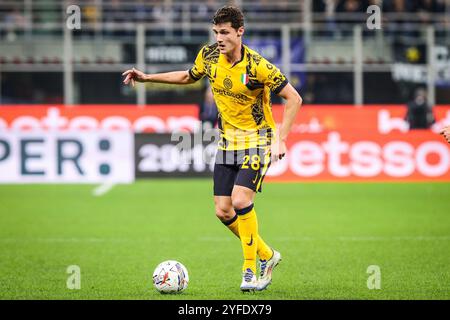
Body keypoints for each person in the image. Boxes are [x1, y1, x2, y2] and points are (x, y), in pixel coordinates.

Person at [122, 5, 302, 292]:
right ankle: (267, 255)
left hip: (257, 141)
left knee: (241, 201)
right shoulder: (208, 56)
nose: (219, 37)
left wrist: (281, 138)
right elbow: (188, 77)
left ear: (240, 32)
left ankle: (248, 270)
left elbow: (293, 98)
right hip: (228, 142)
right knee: (223, 210)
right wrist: (147, 78)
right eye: (216, 32)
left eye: (225, 32)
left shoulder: (258, 66)